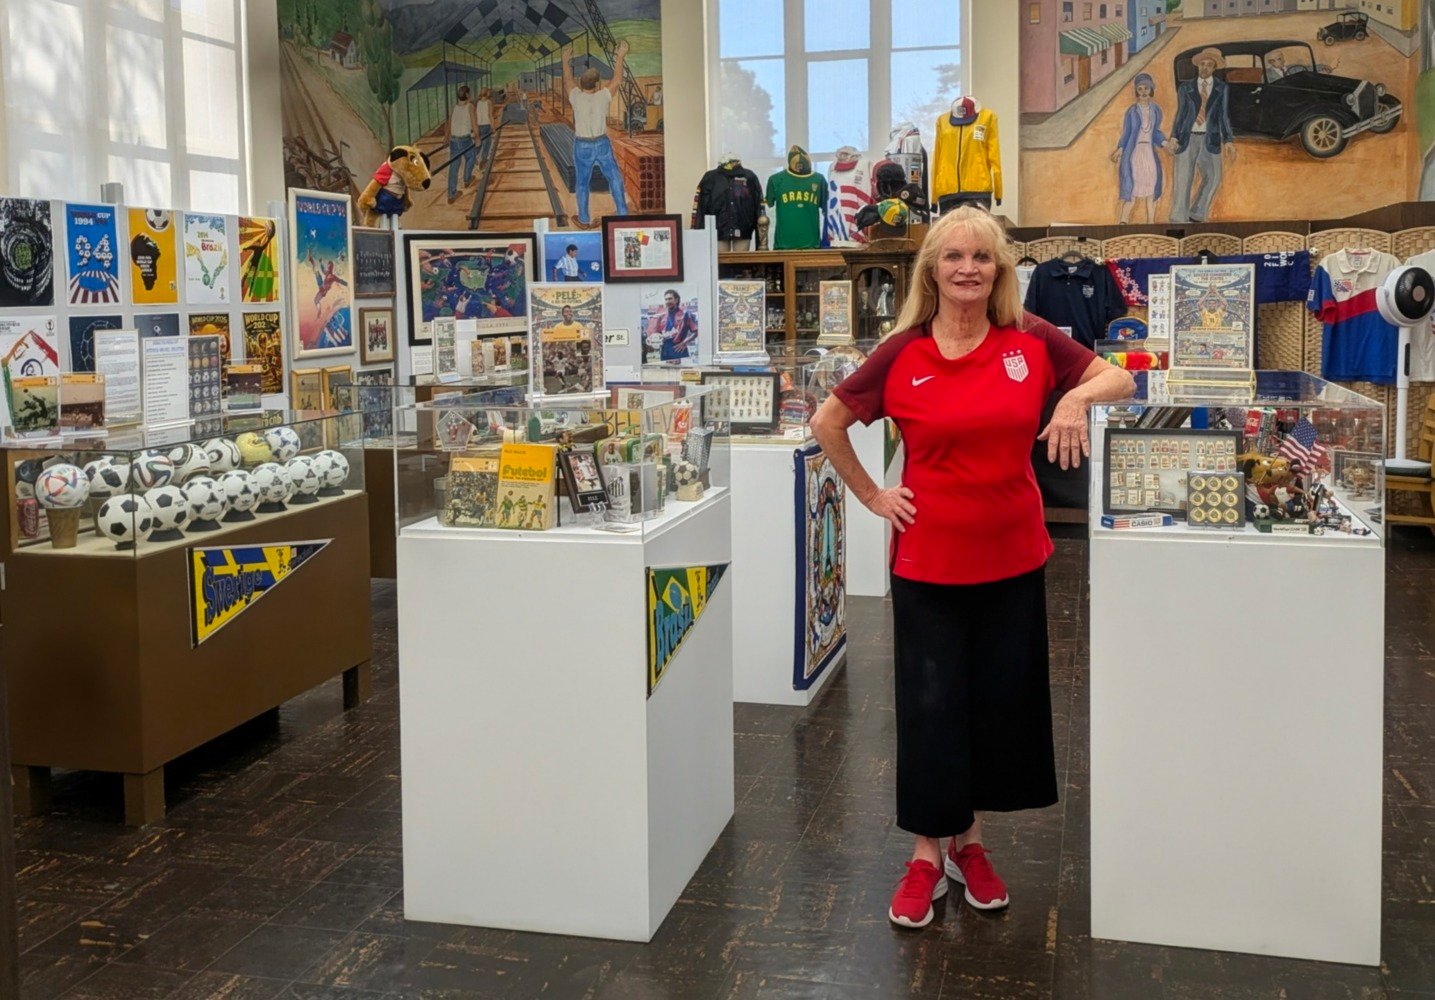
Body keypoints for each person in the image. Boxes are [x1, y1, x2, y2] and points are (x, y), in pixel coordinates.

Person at [809, 206, 1134, 930]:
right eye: (952, 256)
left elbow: (1118, 379)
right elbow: (827, 421)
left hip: (1013, 558)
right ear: (931, 269)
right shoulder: (903, 354)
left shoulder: (1030, 340)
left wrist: (1075, 398)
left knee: (994, 706)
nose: (966, 268)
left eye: (980, 258)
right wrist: (871, 495)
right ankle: (927, 853)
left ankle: (972, 845)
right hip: (928, 563)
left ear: (998, 270)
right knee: (931, 711)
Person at [561, 40, 631, 228]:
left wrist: (565, 61)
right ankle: (623, 214)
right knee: (614, 178)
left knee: (582, 183)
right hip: (601, 143)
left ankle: (584, 219)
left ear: (581, 83)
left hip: (582, 145)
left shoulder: (575, 96)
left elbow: (567, 79)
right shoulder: (603, 96)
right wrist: (620, 57)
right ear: (597, 84)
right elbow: (617, 79)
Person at [1166, 47, 1236, 224]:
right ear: (1198, 66)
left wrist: (1228, 140)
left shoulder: (1221, 88)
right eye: (1202, 64)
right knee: (1183, 179)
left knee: (1213, 177)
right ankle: (1178, 219)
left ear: (1214, 68)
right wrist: (1174, 137)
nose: (1205, 68)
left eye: (1209, 65)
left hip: (1209, 138)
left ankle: (1197, 213)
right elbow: (1181, 114)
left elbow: (1223, 115)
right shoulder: (1185, 88)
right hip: (1186, 137)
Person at [1110, 73, 1166, 224]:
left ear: (1151, 89)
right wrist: (1120, 149)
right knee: (1132, 186)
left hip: (1149, 153)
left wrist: (1165, 143)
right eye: (1140, 88)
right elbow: (1127, 132)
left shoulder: (1156, 110)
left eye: (1146, 88)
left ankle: (1151, 223)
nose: (1143, 91)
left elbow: (1155, 132)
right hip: (1133, 153)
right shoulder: (1132, 111)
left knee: (1151, 186)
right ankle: (1123, 221)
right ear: (1136, 91)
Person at [445, 84, 480, 204]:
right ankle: (467, 179)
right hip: (465, 139)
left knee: (454, 166)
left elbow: (449, 123)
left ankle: (451, 194)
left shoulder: (454, 107)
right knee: (471, 157)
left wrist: (446, 137)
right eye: (469, 93)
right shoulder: (470, 106)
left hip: (454, 140)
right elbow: (474, 123)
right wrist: (478, 137)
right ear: (466, 95)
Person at [648, 289, 699, 361]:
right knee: (665, 372)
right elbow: (657, 335)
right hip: (665, 352)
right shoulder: (661, 316)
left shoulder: (686, 314)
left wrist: (684, 342)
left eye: (670, 299)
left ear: (676, 300)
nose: (667, 301)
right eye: (666, 299)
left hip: (679, 350)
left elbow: (697, 331)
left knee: (681, 371)